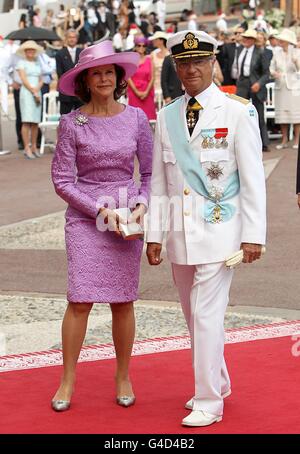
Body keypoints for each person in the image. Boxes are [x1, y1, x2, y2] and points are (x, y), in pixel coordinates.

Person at [146, 30, 266, 427]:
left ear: (213, 63)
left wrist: (254, 235)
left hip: (220, 232)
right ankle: (218, 380)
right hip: (180, 235)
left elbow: (253, 179)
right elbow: (159, 182)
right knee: (193, 317)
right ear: (176, 67)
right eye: (183, 63)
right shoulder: (166, 116)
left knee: (208, 317)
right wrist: (154, 234)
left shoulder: (237, 111)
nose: (191, 69)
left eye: (199, 61)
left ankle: (209, 401)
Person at [51, 40, 153, 412]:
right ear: (86, 80)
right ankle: (67, 380)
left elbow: (151, 172)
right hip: (85, 218)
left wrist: (142, 203)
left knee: (123, 301)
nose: (105, 78)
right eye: (97, 73)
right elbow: (62, 180)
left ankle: (123, 375)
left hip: (126, 220)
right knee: (80, 300)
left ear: (119, 77)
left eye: (110, 72)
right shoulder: (71, 123)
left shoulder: (137, 119)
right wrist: (98, 210)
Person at [236, 29, 271, 152]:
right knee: (239, 113)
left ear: (253, 40)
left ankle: (263, 143)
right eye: (244, 37)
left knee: (258, 115)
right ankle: (242, 143)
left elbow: (267, 73)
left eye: (248, 37)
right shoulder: (239, 50)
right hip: (242, 83)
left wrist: (259, 83)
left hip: (256, 84)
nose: (245, 39)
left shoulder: (261, 52)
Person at [270, 29, 300, 149]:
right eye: (280, 39)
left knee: (296, 115)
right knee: (282, 115)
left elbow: (299, 69)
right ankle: (284, 140)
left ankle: (297, 140)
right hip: (280, 87)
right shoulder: (276, 53)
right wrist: (274, 73)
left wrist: (296, 60)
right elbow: (271, 67)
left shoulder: (297, 52)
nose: (280, 41)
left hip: (294, 88)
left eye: (282, 40)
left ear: (288, 41)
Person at [16, 41, 43, 159]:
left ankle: (34, 147)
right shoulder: (21, 63)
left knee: (35, 121)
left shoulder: (38, 63)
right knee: (27, 120)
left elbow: (42, 79)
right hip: (27, 92)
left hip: (37, 91)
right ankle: (27, 147)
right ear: (25, 52)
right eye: (28, 50)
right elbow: (23, 79)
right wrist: (33, 91)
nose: (30, 52)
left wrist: (37, 89)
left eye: (32, 50)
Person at [127, 36, 156, 120]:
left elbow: (152, 78)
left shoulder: (150, 60)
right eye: (139, 45)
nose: (141, 48)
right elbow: (128, 78)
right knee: (134, 119)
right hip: (134, 92)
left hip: (147, 92)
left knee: (149, 119)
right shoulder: (131, 61)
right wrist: (137, 92)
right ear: (135, 46)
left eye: (144, 46)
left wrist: (146, 92)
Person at [55, 29, 82, 115]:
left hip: (80, 92)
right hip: (65, 93)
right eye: (69, 37)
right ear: (66, 38)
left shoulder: (82, 52)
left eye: (74, 37)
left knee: (81, 119)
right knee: (64, 119)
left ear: (77, 39)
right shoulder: (60, 54)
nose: (72, 39)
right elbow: (60, 73)